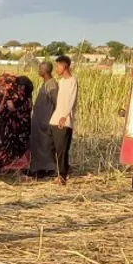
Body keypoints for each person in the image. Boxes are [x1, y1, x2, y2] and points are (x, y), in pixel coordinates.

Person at [0, 73, 33, 174]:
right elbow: (1, 109)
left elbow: (10, 108)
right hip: (11, 131)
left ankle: (14, 168)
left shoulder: (24, 99)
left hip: (18, 131)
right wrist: (5, 97)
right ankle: (9, 167)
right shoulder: (17, 97)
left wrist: (7, 98)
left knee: (14, 150)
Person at [50, 55, 80, 184]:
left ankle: (62, 175)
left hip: (64, 120)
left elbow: (71, 100)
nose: (57, 69)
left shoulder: (72, 81)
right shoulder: (61, 82)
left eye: (58, 66)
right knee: (53, 147)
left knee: (62, 149)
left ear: (64, 66)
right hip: (55, 119)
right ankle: (60, 171)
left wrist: (65, 115)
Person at [30, 62, 59, 178]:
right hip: (40, 121)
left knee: (46, 146)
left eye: (40, 69)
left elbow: (57, 102)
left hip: (47, 121)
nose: (38, 71)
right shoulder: (46, 83)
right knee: (40, 145)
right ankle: (40, 168)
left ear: (45, 71)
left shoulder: (52, 84)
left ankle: (49, 169)